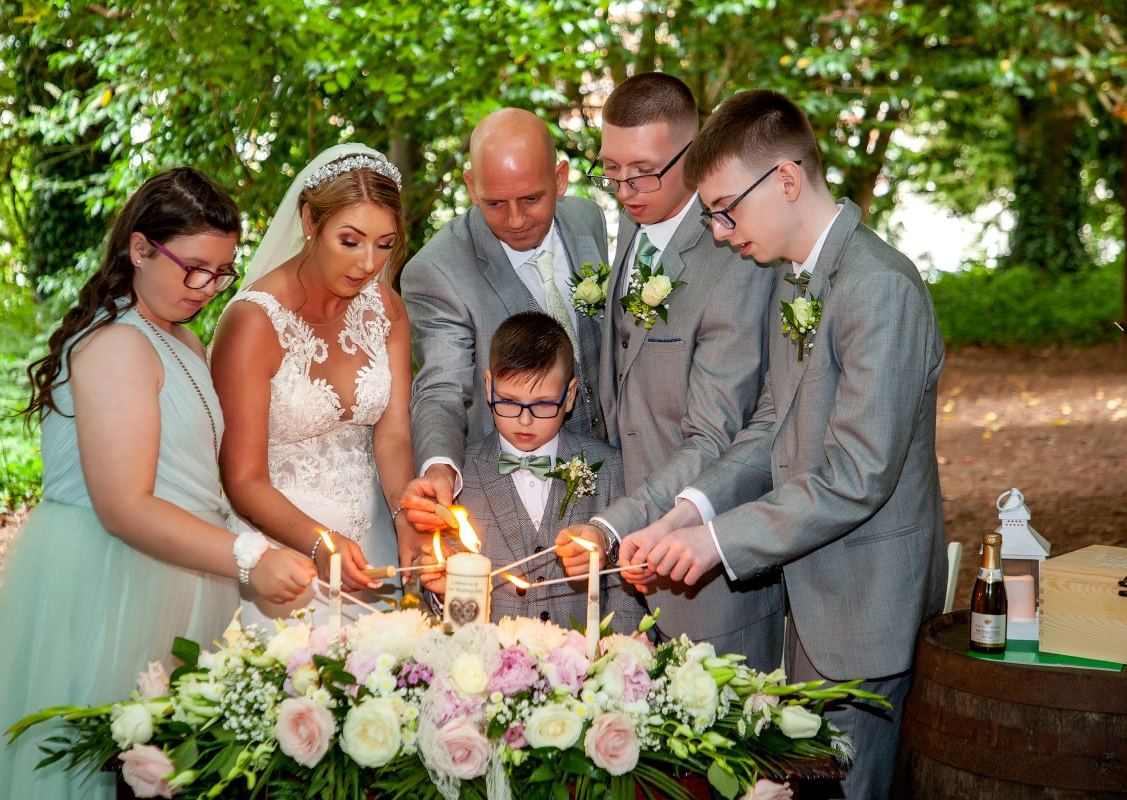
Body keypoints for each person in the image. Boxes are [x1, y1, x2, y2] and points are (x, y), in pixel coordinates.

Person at [0, 168, 316, 800]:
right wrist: (249, 557)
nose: (207, 287)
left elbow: (198, 482)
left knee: (162, 761)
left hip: (176, 570)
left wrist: (249, 561)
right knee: (99, 758)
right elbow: (122, 506)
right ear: (140, 249)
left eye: (221, 272)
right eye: (193, 267)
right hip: (108, 575)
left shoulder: (184, 338)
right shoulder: (116, 343)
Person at [622, 89, 948, 798]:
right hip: (809, 603)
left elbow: (856, 476)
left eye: (725, 208)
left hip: (866, 611)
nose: (716, 231)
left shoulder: (879, 289)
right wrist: (692, 512)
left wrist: (719, 544)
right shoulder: (795, 279)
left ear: (788, 180)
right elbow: (768, 427)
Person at [557, 73, 782, 665]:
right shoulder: (631, 222)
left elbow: (716, 438)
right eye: (611, 170)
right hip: (624, 569)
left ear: (695, 149)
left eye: (645, 170)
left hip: (706, 576)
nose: (627, 189)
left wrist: (614, 525)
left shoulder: (736, 258)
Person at [211, 145, 418, 629]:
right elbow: (242, 479)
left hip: (373, 550)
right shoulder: (253, 322)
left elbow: (393, 438)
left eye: (385, 244)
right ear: (309, 221)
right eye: (351, 240)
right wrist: (318, 540)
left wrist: (407, 519)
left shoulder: (386, 309)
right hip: (284, 555)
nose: (369, 262)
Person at [400, 108, 608, 522]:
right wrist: (439, 466)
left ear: (561, 178)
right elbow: (441, 387)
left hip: (608, 479)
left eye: (531, 198)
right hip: (507, 498)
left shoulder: (588, 220)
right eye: (495, 203)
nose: (515, 220)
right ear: (471, 187)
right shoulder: (436, 270)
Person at [402, 312, 645, 632]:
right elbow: (438, 604)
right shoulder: (458, 478)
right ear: (489, 388)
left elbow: (625, 594)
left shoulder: (611, 468)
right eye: (510, 402)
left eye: (543, 404)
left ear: (569, 395)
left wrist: (616, 663)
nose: (525, 420)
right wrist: (441, 592)